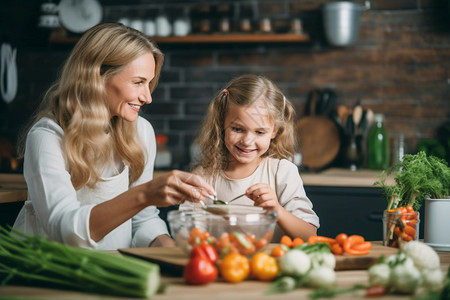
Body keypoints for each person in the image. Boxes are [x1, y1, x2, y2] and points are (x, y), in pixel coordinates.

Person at [13, 23, 214, 250]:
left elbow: (142, 220)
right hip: (47, 272)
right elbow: (65, 230)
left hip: (112, 268)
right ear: (96, 77)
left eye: (149, 83)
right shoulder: (47, 137)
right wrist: (145, 194)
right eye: (138, 82)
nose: (147, 97)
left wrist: (176, 253)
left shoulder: (141, 132)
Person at [181, 74, 319, 242]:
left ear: (274, 131)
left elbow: (309, 235)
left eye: (259, 132)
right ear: (222, 124)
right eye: (238, 129)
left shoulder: (282, 172)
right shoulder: (203, 178)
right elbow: (186, 232)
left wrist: (277, 210)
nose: (247, 141)